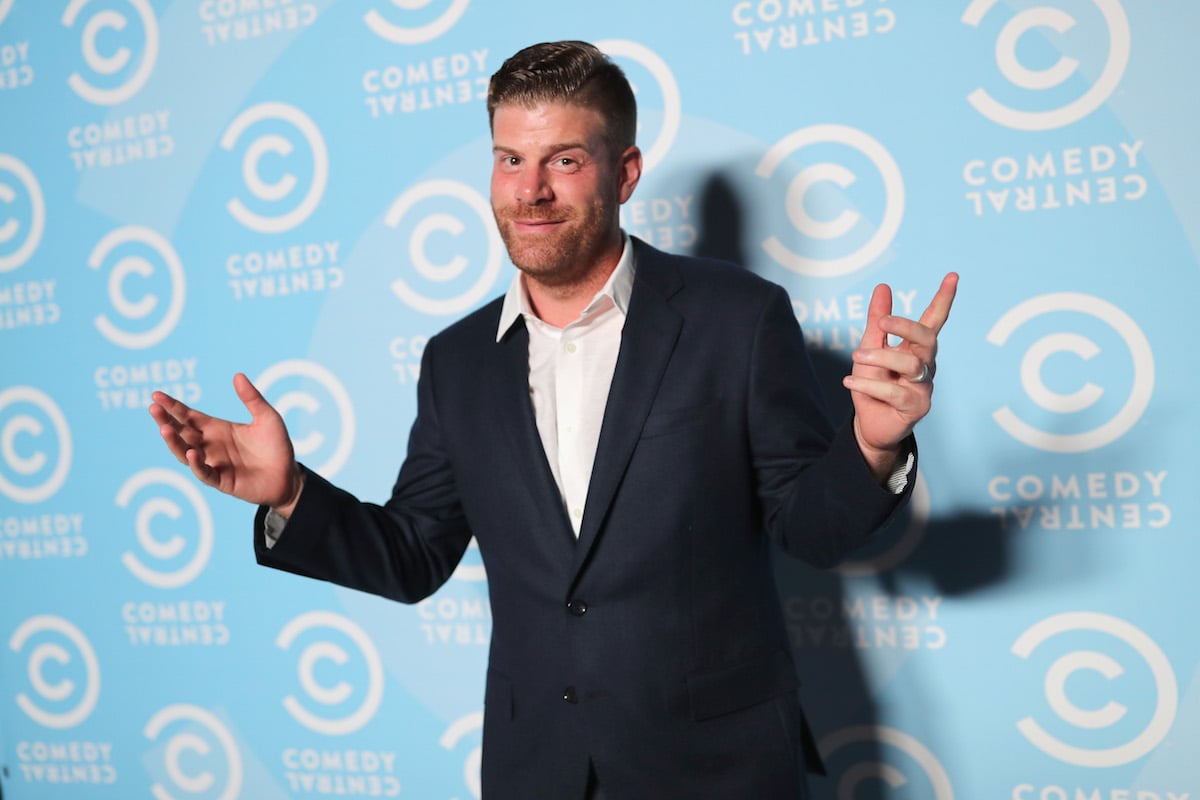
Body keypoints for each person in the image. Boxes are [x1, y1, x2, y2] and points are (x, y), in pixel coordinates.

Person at [150, 40, 957, 800]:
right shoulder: (455, 360)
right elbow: (413, 555)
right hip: (536, 769)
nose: (531, 190)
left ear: (625, 171)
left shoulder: (737, 319)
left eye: (564, 160)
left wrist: (871, 444)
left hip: (719, 769)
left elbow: (809, 530)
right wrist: (289, 492)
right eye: (511, 160)